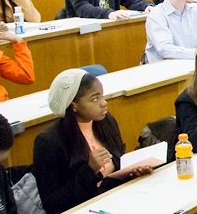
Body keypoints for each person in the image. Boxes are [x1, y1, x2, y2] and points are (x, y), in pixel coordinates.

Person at [33, 69, 154, 213]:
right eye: (94, 99)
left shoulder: (106, 121)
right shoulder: (49, 141)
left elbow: (118, 164)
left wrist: (132, 172)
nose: (104, 103)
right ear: (73, 105)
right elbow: (53, 205)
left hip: (117, 199)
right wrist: (89, 170)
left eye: (102, 96)